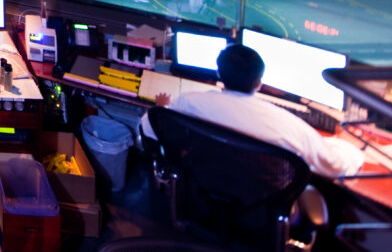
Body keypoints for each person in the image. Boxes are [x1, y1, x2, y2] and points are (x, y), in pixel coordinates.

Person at [140, 44, 363, 180]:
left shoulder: (189, 103)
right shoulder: (288, 126)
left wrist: (161, 109)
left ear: (220, 74)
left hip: (204, 190)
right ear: (259, 82)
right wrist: (355, 151)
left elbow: (148, 128)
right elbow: (335, 166)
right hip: (260, 211)